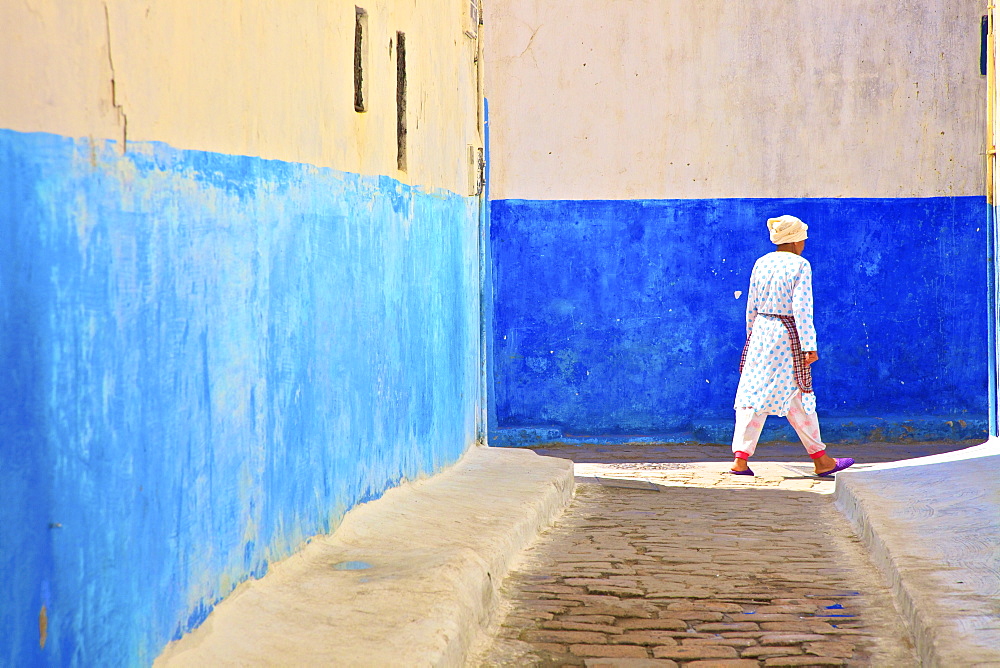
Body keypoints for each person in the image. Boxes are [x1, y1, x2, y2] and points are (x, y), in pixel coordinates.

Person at [729, 215, 854, 477]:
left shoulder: (761, 263)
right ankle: (821, 460)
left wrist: (751, 337)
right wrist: (809, 345)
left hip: (761, 333)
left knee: (753, 394)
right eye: (803, 237)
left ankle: (740, 459)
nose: (805, 242)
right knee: (798, 393)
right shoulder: (800, 265)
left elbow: (751, 304)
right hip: (787, 335)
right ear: (795, 240)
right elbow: (802, 308)